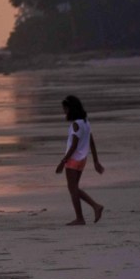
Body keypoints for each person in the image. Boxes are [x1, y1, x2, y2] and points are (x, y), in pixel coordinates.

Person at [55, 95, 104, 226]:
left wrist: (62, 162)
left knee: (73, 189)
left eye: (65, 109)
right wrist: (96, 161)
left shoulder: (76, 124)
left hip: (73, 160)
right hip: (82, 160)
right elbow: (91, 142)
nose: (64, 111)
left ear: (71, 109)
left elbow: (74, 145)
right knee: (74, 188)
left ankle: (87, 212)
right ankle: (89, 211)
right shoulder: (86, 122)